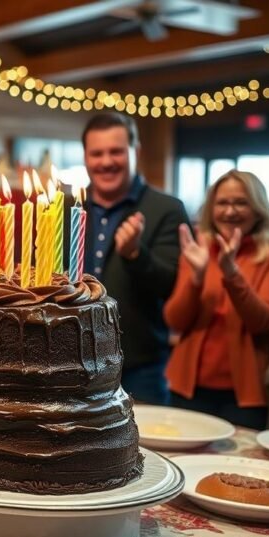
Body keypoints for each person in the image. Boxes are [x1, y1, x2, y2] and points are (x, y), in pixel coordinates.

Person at [165, 170, 269, 429]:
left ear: (259, 207)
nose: (230, 211)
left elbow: (264, 321)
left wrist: (231, 273)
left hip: (247, 396)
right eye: (222, 203)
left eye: (241, 202)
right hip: (189, 389)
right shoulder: (199, 249)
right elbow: (175, 320)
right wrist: (197, 277)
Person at [81, 112, 188, 405]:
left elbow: (172, 284)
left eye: (116, 151)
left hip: (140, 366)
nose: (106, 161)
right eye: (96, 153)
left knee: (144, 447)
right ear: (86, 157)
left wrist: (136, 255)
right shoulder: (66, 208)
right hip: (73, 362)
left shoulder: (167, 209)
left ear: (135, 151)